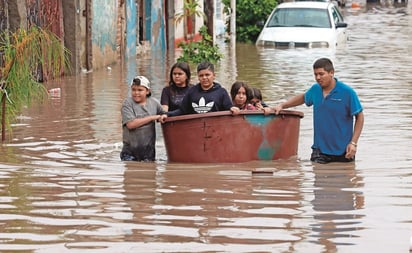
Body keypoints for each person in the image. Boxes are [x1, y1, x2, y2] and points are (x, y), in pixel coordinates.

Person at [272, 58, 364, 164]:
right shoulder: (315, 89)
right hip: (319, 151)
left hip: (344, 150)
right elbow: (303, 98)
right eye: (315, 74)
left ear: (331, 73)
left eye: (321, 74)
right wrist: (282, 105)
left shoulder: (347, 92)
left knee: (344, 178)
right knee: (318, 177)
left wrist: (353, 143)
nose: (318, 78)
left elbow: (359, 116)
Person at [120, 75, 167, 162]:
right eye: (133, 90)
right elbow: (130, 124)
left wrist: (163, 116)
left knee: (149, 174)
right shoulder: (127, 104)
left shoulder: (154, 103)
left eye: (140, 90)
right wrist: (153, 117)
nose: (136, 93)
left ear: (147, 91)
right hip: (129, 153)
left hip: (149, 153)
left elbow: (164, 114)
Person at [167, 62, 239, 116]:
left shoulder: (221, 92)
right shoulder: (192, 92)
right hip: (195, 129)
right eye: (201, 75)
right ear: (198, 77)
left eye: (207, 75)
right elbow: (182, 111)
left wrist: (233, 109)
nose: (204, 78)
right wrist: (166, 114)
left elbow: (229, 108)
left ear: (214, 76)